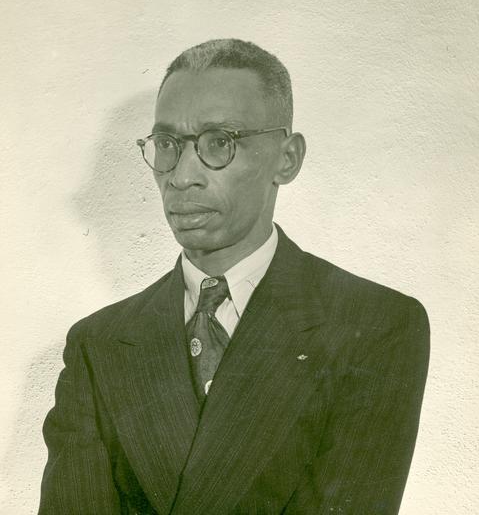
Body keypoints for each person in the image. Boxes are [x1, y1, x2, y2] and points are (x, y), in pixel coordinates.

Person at [39, 38, 430, 515]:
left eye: (218, 143)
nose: (182, 176)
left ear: (287, 159)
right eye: (167, 145)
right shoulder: (98, 344)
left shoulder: (374, 324)